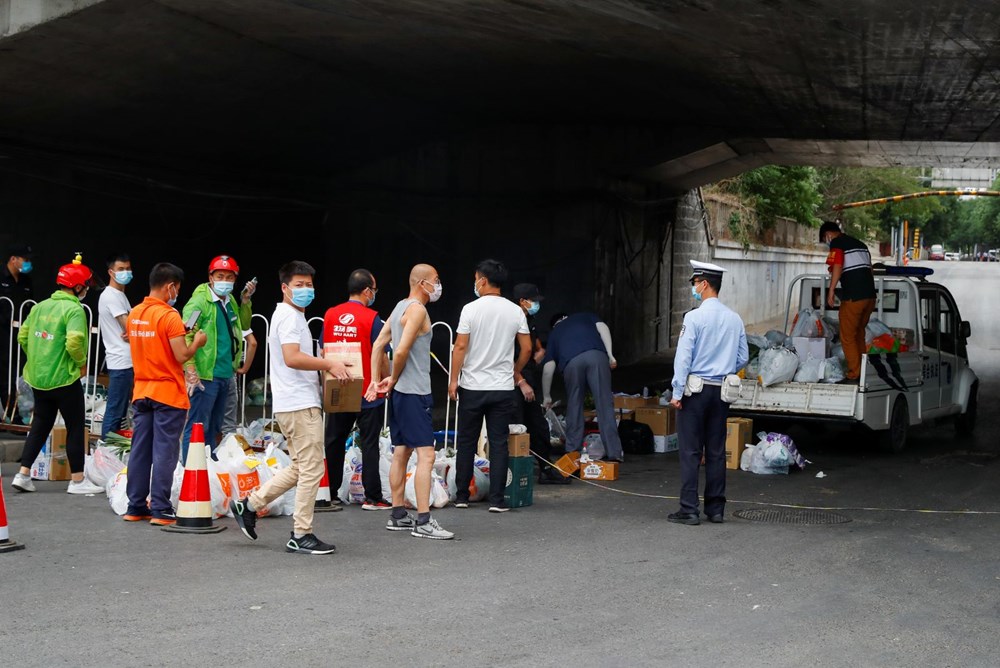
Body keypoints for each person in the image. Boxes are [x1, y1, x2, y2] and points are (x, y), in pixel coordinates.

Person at [230, 260, 352, 555]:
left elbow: (298, 358)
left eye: (309, 284)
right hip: (298, 404)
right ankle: (301, 532)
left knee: (301, 467)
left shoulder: (291, 316)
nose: (306, 290)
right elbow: (291, 357)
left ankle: (250, 504)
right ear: (285, 288)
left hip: (295, 402)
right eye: (299, 285)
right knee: (311, 469)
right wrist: (329, 364)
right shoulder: (288, 316)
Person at [366, 263, 453, 539]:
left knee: (401, 452)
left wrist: (374, 379)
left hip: (402, 394)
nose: (438, 285)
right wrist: (389, 378)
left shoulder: (399, 307)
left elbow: (379, 343)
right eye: (436, 280)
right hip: (413, 392)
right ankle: (425, 521)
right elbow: (400, 350)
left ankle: (398, 515)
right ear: (422, 283)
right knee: (426, 455)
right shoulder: (417, 310)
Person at [10, 254, 104, 495]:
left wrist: (39, 357)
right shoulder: (74, 309)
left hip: (39, 379)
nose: (87, 290)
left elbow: (23, 336)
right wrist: (81, 363)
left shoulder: (40, 306)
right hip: (64, 378)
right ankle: (77, 480)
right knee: (74, 426)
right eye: (86, 285)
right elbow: (75, 341)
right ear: (78, 286)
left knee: (40, 424)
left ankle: (23, 474)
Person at [124, 263, 207, 525]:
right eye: (177, 288)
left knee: (139, 450)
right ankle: (160, 508)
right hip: (167, 393)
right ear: (170, 286)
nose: (176, 293)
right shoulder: (169, 316)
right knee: (164, 451)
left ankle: (135, 506)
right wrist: (196, 342)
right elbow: (181, 355)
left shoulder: (135, 313)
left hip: (142, 390)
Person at [667, 260, 748, 526]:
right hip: (721, 392)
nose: (693, 288)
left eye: (694, 283)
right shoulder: (734, 318)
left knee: (690, 451)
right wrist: (723, 368)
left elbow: (683, 358)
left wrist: (677, 391)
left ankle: (689, 509)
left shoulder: (693, 318)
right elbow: (742, 357)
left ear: (703, 284)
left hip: (695, 391)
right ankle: (716, 509)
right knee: (715, 451)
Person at [450, 260, 531, 512]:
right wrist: (515, 371)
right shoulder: (515, 311)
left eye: (476, 278)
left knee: (466, 441)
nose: (475, 282)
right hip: (503, 388)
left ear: (483, 280)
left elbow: (461, 346)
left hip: (472, 387)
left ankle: (462, 496)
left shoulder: (470, 309)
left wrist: (453, 379)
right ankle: (497, 500)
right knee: (498, 443)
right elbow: (527, 348)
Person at [322, 268, 391, 510]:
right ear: (367, 291)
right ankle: (373, 497)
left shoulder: (330, 314)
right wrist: (387, 378)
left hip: (339, 387)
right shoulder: (373, 318)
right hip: (368, 390)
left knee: (334, 440)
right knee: (369, 443)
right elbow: (381, 353)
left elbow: (323, 349)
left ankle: (328, 493)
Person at [179, 255, 253, 461]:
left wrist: (245, 301)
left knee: (214, 428)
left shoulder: (230, 302)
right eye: (220, 276)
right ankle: (190, 473)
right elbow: (186, 334)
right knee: (197, 427)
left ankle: (208, 472)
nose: (225, 281)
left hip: (225, 373)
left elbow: (243, 326)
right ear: (210, 277)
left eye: (230, 277)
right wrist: (190, 368)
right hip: (205, 375)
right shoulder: (199, 302)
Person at [540, 312, 624, 463]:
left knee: (574, 405)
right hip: (596, 356)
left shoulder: (554, 333)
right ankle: (614, 452)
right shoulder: (584, 317)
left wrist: (547, 396)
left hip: (572, 363)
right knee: (604, 404)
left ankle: (572, 451)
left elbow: (548, 368)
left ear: (554, 324)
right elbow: (603, 328)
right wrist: (610, 355)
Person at [510, 283, 567, 484]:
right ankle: (512, 474)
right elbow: (507, 357)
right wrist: (521, 381)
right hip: (514, 382)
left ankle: (544, 468)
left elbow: (533, 346)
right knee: (516, 428)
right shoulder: (510, 321)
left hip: (527, 377)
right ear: (522, 301)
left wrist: (537, 355)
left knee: (538, 427)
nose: (535, 304)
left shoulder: (529, 320)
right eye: (532, 301)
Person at [819, 221, 876, 384]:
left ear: (828, 235)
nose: (827, 242)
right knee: (859, 333)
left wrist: (831, 289)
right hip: (870, 297)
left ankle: (854, 373)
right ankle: (863, 370)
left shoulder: (837, 243)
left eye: (825, 239)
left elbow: (837, 265)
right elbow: (870, 270)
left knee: (847, 336)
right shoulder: (861, 244)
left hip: (854, 297)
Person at [98, 252, 134, 439]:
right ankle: (105, 454)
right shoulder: (111, 296)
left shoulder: (120, 295)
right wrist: (135, 330)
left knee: (120, 414)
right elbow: (130, 327)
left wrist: (134, 331)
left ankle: (112, 454)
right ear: (111, 272)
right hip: (120, 361)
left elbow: (132, 329)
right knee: (114, 412)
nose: (125, 272)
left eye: (128, 269)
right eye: (121, 269)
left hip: (127, 361)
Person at [0, 243, 34, 424]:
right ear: (13, 259)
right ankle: (9, 414)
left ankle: (14, 414)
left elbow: (29, 307)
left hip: (19, 336)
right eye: (25, 260)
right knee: (4, 374)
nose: (28, 263)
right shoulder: (1, 278)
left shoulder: (26, 281)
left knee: (17, 374)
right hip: (2, 335)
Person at [220, 329, 257, 438]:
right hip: (229, 371)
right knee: (229, 424)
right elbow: (253, 343)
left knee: (203, 422)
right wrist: (244, 368)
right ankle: (229, 452)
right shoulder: (235, 316)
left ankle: (205, 452)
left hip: (206, 373)